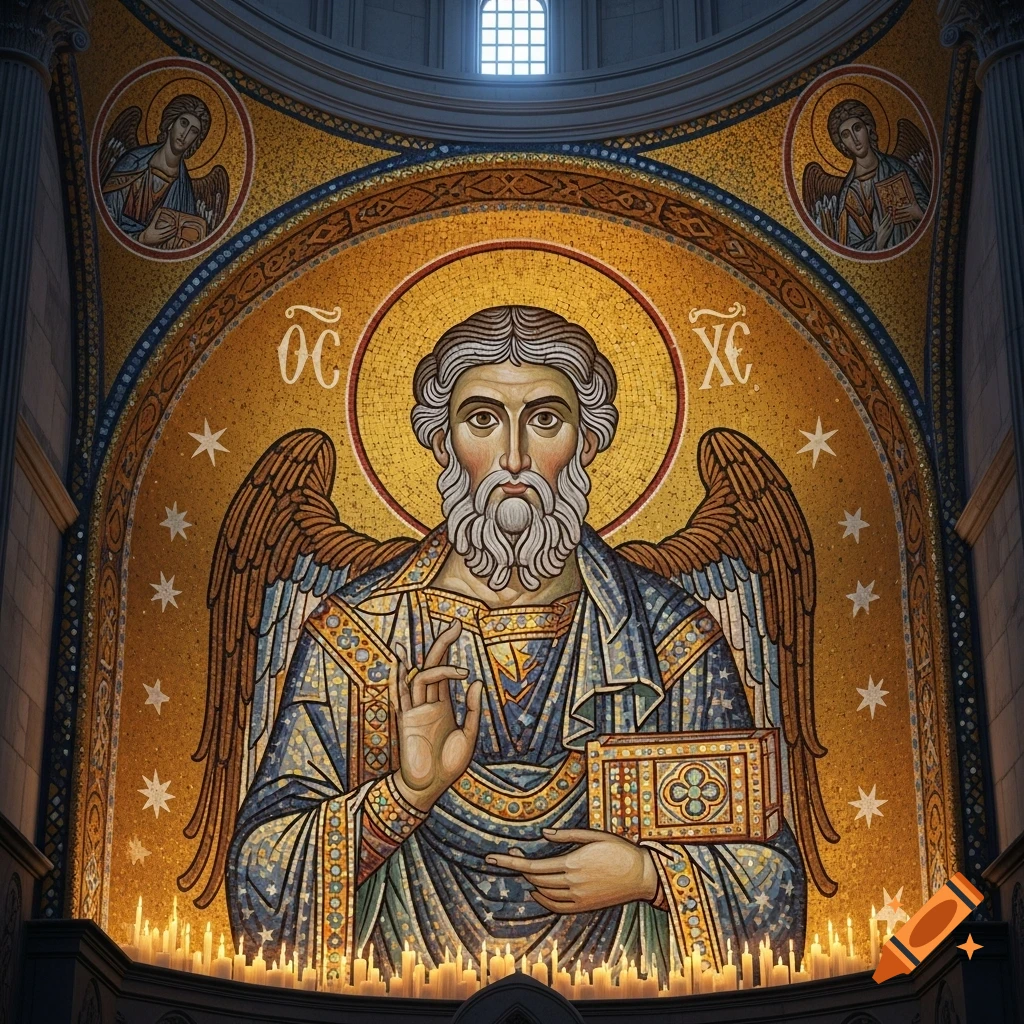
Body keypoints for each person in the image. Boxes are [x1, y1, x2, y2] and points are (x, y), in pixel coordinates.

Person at [227, 306, 806, 981]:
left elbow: (774, 881)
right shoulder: (360, 636)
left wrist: (651, 876)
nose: (513, 458)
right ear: (442, 444)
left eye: (545, 419)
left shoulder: (670, 638)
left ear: (588, 443)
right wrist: (405, 795)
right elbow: (258, 874)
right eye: (481, 420)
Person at [101, 94, 212, 248]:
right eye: (183, 123)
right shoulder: (132, 161)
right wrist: (140, 238)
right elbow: (103, 215)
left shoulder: (185, 191)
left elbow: (183, 243)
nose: (185, 134)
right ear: (170, 124)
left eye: (193, 131)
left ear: (196, 140)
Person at [820, 98, 930, 251]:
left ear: (868, 129)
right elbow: (852, 247)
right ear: (843, 146)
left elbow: (933, 209)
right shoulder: (849, 195)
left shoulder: (896, 168)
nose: (854, 139)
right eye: (846, 135)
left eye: (857, 128)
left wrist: (917, 212)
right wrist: (878, 241)